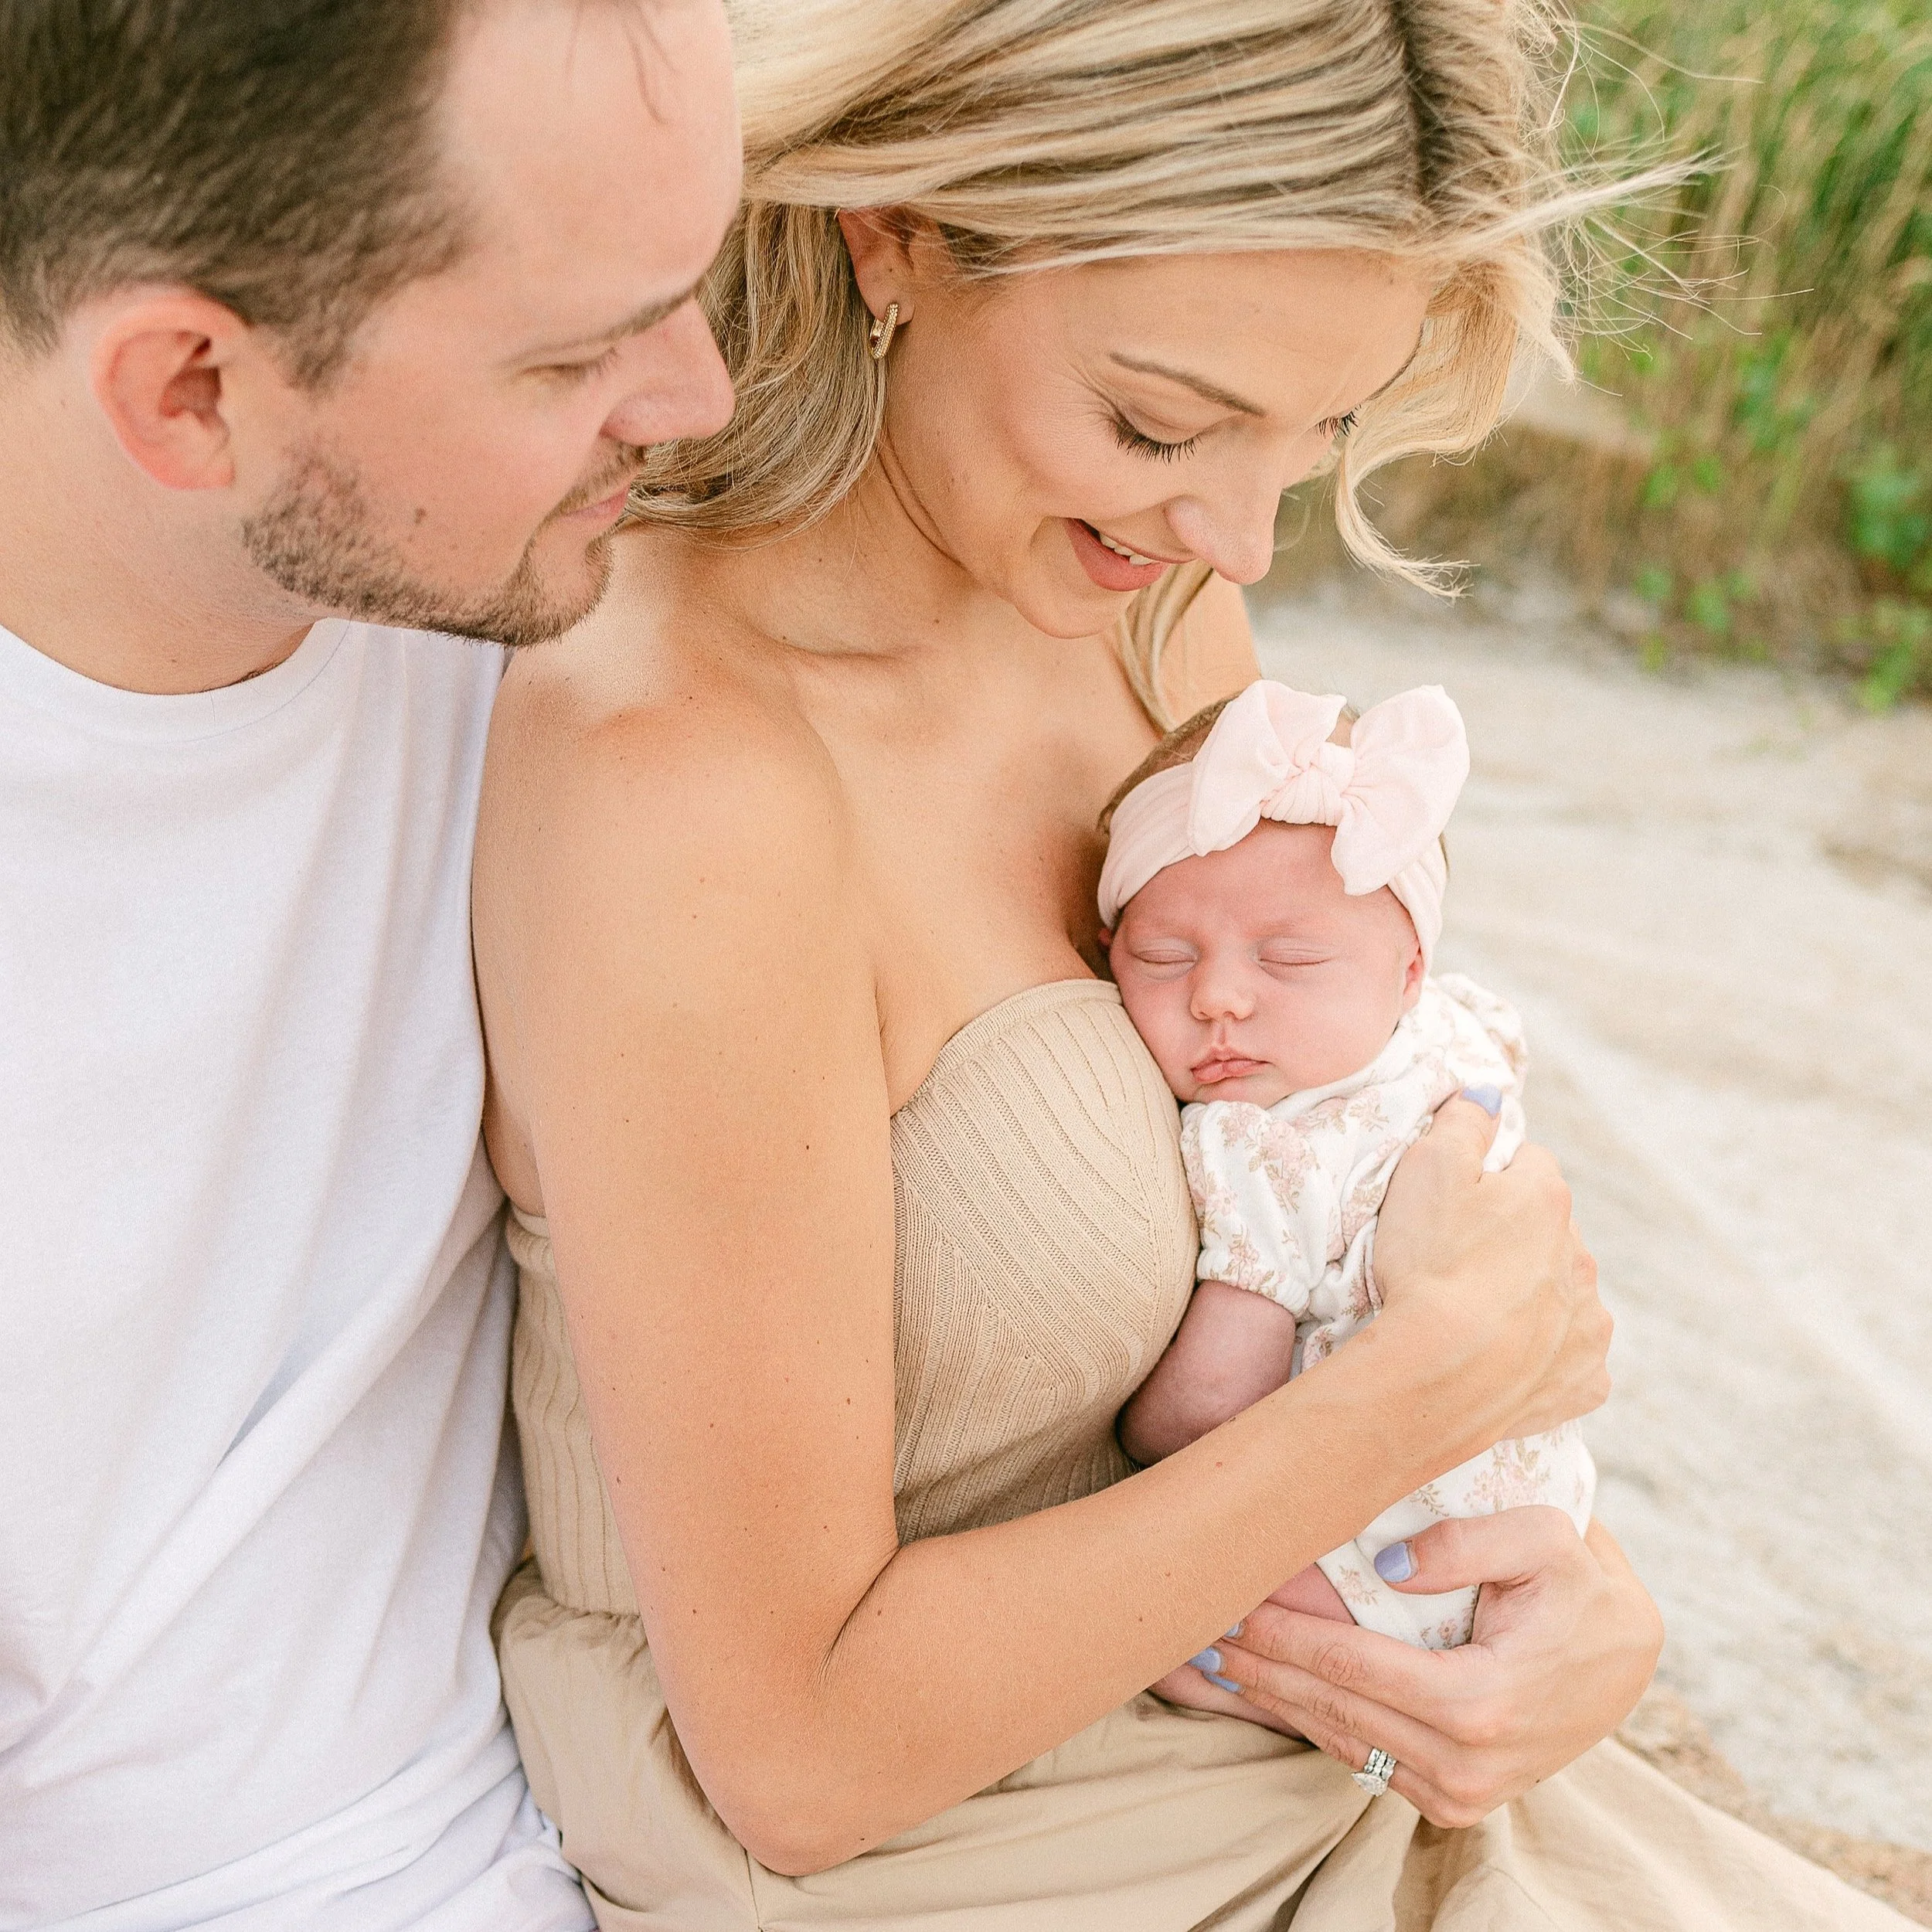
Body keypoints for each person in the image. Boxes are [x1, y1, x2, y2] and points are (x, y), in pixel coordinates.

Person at [471, 0, 1908, 1921]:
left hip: (1280, 1749)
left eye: (1320, 432)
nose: (1238, 534)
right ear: (895, 233)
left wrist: (1565, 1606)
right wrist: (1416, 1389)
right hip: (970, 1861)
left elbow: (1334, 1171)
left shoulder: (1137, 625)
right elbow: (796, 1751)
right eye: (1159, 421)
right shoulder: (681, 778)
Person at [0, 2, 739, 1925]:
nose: (702, 395)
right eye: (575, 357)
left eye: (704, 277)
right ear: (187, 391)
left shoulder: (496, 555)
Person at [1104, 680, 1596, 1724]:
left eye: (1289, 960)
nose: (1218, 997)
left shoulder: (1266, 1148)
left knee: (1153, 1620)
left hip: (1365, 1552)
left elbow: (1209, 1412)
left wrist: (1107, 1439)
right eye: (1161, 958)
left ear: (1410, 969)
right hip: (1536, 1515)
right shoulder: (1461, 1043)